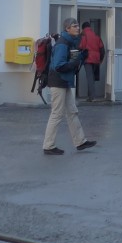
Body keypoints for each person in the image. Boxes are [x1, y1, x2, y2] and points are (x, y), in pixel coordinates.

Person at [42, 18, 96, 155]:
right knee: (57, 114)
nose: (78, 28)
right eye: (74, 26)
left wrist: (81, 57)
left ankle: (80, 142)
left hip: (64, 81)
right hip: (58, 81)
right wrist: (75, 62)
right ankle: (48, 146)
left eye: (78, 25)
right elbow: (59, 65)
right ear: (67, 29)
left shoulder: (70, 42)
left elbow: (70, 60)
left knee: (72, 111)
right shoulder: (63, 43)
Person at [79, 22, 105, 101]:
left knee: (90, 78)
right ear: (89, 27)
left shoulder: (83, 35)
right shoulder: (96, 35)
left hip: (88, 59)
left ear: (83, 28)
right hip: (96, 59)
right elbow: (102, 49)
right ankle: (91, 95)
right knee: (92, 77)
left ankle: (92, 97)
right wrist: (100, 59)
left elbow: (81, 46)